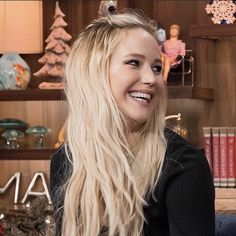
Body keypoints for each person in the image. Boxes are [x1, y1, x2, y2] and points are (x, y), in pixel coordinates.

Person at [50, 10, 215, 236]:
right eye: (134, 63)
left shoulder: (183, 165)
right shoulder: (67, 161)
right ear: (94, 73)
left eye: (157, 68)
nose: (151, 79)